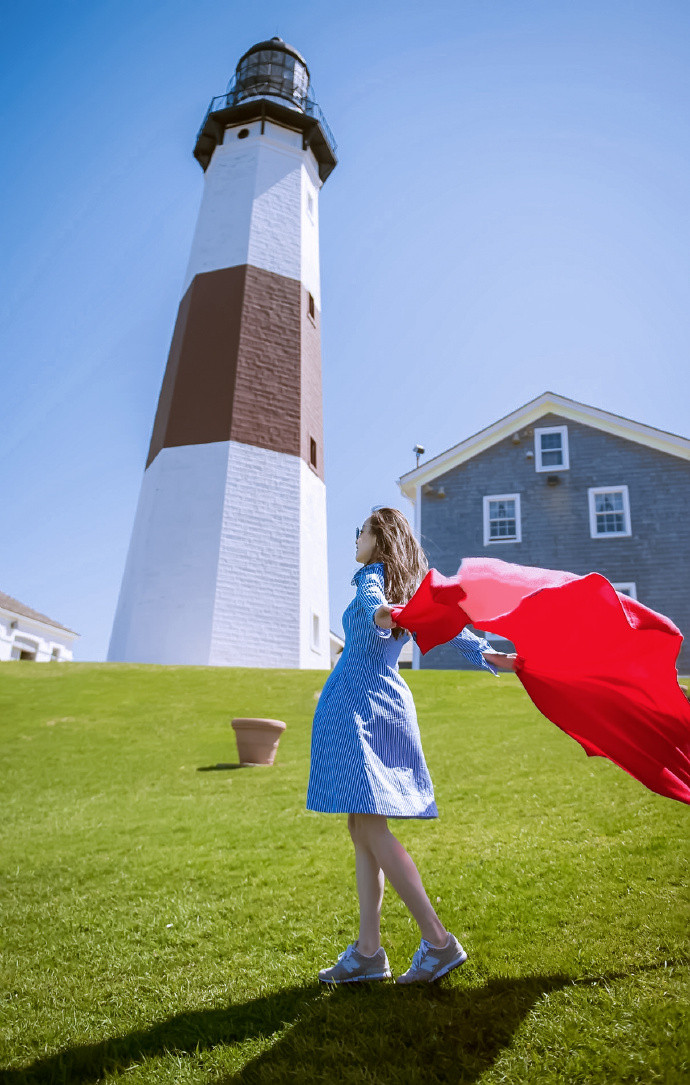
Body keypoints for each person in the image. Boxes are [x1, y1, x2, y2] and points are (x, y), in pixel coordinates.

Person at [307, 507, 516, 984]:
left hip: (359, 709)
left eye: (359, 533)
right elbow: (451, 631)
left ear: (379, 540)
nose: (354, 541)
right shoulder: (410, 594)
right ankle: (367, 953)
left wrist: (385, 614)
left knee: (371, 830)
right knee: (361, 828)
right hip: (380, 704)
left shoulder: (372, 579)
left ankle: (438, 942)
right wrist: (495, 657)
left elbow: (373, 607)